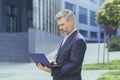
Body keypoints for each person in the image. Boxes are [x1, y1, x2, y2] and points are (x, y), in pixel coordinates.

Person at [37, 9, 86, 80]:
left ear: (72, 22)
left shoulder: (78, 40)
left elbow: (74, 65)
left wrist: (52, 70)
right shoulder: (67, 37)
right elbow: (62, 57)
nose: (60, 28)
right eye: (59, 25)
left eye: (62, 25)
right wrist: (53, 62)